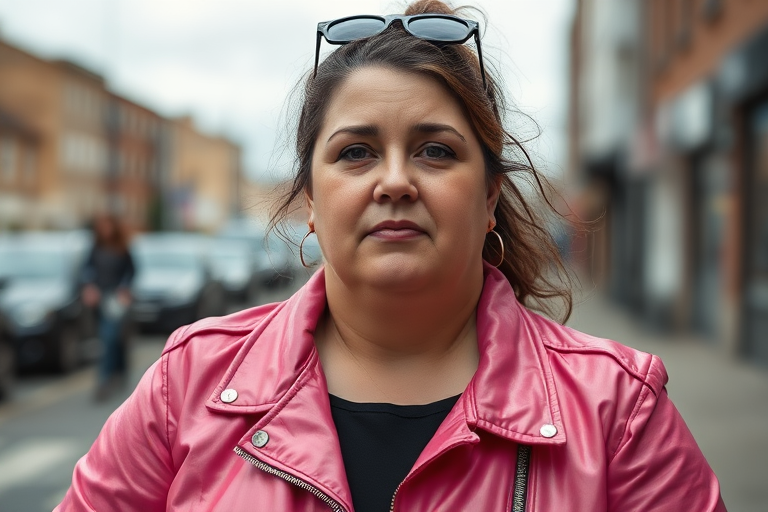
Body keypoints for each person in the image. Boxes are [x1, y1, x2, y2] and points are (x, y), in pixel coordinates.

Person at [56, 1, 726, 510]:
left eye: (436, 150)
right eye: (356, 152)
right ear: (311, 201)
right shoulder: (189, 387)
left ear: (490, 196)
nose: (396, 180)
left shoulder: (618, 412)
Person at [80, 213, 135, 401]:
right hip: (99, 299)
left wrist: (124, 289)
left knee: (109, 337)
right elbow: (87, 270)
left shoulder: (122, 248)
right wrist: (89, 286)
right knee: (111, 339)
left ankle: (104, 379)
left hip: (116, 299)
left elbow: (132, 271)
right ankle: (119, 371)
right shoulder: (95, 248)